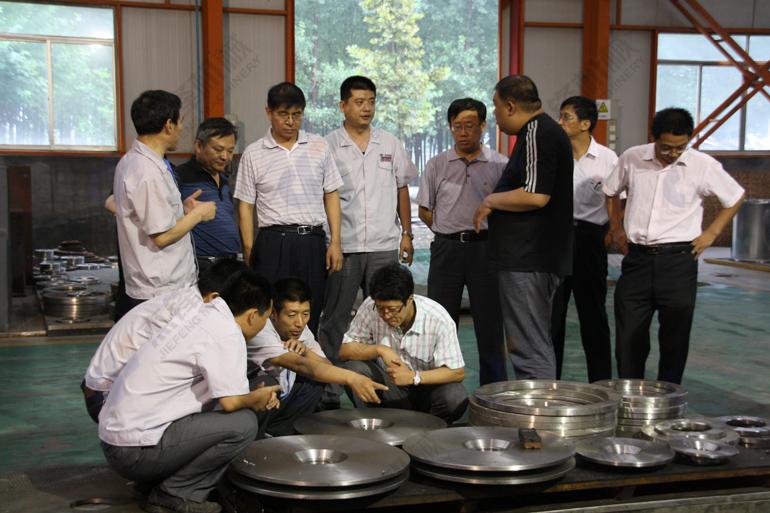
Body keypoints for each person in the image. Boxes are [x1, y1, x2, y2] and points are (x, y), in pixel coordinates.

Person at [99, 269, 281, 513]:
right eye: (266, 318)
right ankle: (175, 494)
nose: (265, 326)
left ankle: (152, 484)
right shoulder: (227, 333)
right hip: (133, 452)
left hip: (119, 438)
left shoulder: (202, 313)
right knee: (244, 424)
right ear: (251, 316)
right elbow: (231, 403)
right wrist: (255, 398)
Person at [604, 108, 745, 384]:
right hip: (637, 260)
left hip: (679, 261)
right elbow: (611, 191)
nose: (673, 153)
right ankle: (630, 394)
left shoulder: (702, 165)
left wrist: (712, 233)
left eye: (680, 147)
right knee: (629, 336)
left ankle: (668, 397)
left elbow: (735, 197)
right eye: (666, 147)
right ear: (653, 138)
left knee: (675, 338)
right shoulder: (632, 157)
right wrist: (616, 227)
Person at [473, 75, 573, 380]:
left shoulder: (537, 132)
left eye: (496, 107)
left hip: (529, 259)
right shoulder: (540, 132)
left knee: (529, 348)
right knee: (530, 342)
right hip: (530, 259)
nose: (496, 115)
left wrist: (491, 200)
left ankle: (539, 407)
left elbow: (535, 194)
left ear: (510, 106)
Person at [319, 75, 418, 367]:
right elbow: (323, 194)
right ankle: (330, 382)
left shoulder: (389, 142)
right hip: (344, 246)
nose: (367, 108)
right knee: (337, 314)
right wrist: (333, 242)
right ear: (343, 106)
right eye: (359, 102)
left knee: (386, 313)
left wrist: (407, 234)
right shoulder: (327, 146)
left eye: (371, 102)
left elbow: (401, 188)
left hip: (383, 244)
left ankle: (386, 376)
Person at [235, 82, 343, 334]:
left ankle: (306, 359)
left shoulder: (319, 146)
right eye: (283, 114)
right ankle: (272, 359)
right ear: (269, 112)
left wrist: (335, 242)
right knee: (268, 310)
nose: (291, 121)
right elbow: (245, 206)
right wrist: (249, 251)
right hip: (272, 242)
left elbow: (331, 194)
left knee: (309, 308)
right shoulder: (254, 153)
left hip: (312, 241)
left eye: (297, 114)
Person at [82, 259, 247, 423]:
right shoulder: (194, 312)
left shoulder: (188, 297)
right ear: (214, 297)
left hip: (102, 388)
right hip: (107, 397)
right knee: (223, 394)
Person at [416, 98, 508, 386]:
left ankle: (493, 392)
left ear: (483, 126)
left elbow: (508, 210)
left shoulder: (500, 164)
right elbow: (425, 210)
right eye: (457, 126)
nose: (463, 132)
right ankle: (441, 391)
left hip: (486, 250)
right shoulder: (437, 165)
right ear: (450, 127)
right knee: (441, 322)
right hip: (447, 251)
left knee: (490, 325)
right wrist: (447, 230)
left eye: (470, 125)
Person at [113, 90, 216, 320]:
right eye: (180, 121)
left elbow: (150, 215)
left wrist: (181, 209)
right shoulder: (147, 171)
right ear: (169, 125)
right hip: (161, 291)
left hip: (159, 286)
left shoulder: (135, 161)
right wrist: (198, 214)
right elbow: (161, 236)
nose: (181, 128)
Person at [248, 278, 388, 436]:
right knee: (269, 383)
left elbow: (326, 366)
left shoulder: (300, 329)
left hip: (280, 396)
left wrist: (307, 352)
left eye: (305, 314)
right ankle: (254, 437)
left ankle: (280, 433)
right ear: (273, 313)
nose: (299, 322)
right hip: (247, 397)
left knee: (316, 380)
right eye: (291, 314)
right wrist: (352, 378)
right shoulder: (261, 331)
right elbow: (300, 365)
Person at [339, 263, 468, 424]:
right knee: (354, 370)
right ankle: (375, 425)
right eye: (381, 308)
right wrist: (380, 349)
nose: (386, 315)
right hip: (389, 387)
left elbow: (457, 372)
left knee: (455, 396)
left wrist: (414, 377)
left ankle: (429, 429)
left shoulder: (438, 319)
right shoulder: (370, 307)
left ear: (410, 299)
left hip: (426, 391)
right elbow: (344, 350)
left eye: (393, 309)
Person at [550, 96, 617, 382]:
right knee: (553, 315)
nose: (560, 122)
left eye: (566, 117)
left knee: (593, 315)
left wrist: (615, 229)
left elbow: (616, 198)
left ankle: (601, 383)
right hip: (557, 238)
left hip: (591, 240)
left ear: (586, 124)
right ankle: (549, 383)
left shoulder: (608, 159)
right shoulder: (554, 154)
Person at [175, 117, 241, 272]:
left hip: (231, 265)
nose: (225, 157)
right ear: (199, 146)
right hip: (201, 266)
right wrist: (182, 210)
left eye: (230, 151)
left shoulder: (225, 180)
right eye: (218, 149)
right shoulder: (180, 176)